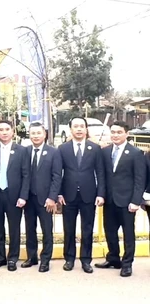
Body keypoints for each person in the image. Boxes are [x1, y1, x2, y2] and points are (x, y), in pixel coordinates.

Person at [95, 121, 146, 277]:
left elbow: (140, 179)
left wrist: (136, 201)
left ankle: (127, 264)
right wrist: (101, 194)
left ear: (127, 134)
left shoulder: (136, 153)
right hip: (109, 200)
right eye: (113, 132)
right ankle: (113, 259)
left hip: (127, 202)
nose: (115, 135)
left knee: (128, 234)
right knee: (110, 232)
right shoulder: (105, 152)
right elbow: (102, 176)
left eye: (119, 132)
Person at [58, 117, 105, 274]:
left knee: (87, 229)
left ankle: (86, 260)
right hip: (68, 195)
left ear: (86, 129)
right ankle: (69, 259)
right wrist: (58, 193)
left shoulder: (95, 148)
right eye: (75, 126)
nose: (79, 129)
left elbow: (100, 173)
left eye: (81, 126)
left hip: (89, 195)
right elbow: (58, 173)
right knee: (69, 229)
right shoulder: (62, 148)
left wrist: (100, 193)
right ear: (70, 129)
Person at [22, 122, 62, 273]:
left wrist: (52, 197)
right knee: (29, 229)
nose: (35, 136)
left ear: (44, 134)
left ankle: (45, 260)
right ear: (29, 134)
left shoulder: (53, 152)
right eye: (33, 133)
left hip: (46, 199)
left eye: (38, 133)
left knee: (46, 230)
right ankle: (31, 257)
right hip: (29, 198)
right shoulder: (25, 151)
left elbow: (57, 176)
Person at [0, 120, 29, 271]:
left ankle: (13, 257)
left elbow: (26, 175)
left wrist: (23, 196)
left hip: (14, 196)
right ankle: (0, 257)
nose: (4, 132)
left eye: (7, 129)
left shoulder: (21, 150)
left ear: (13, 131)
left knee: (14, 228)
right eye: (1, 129)